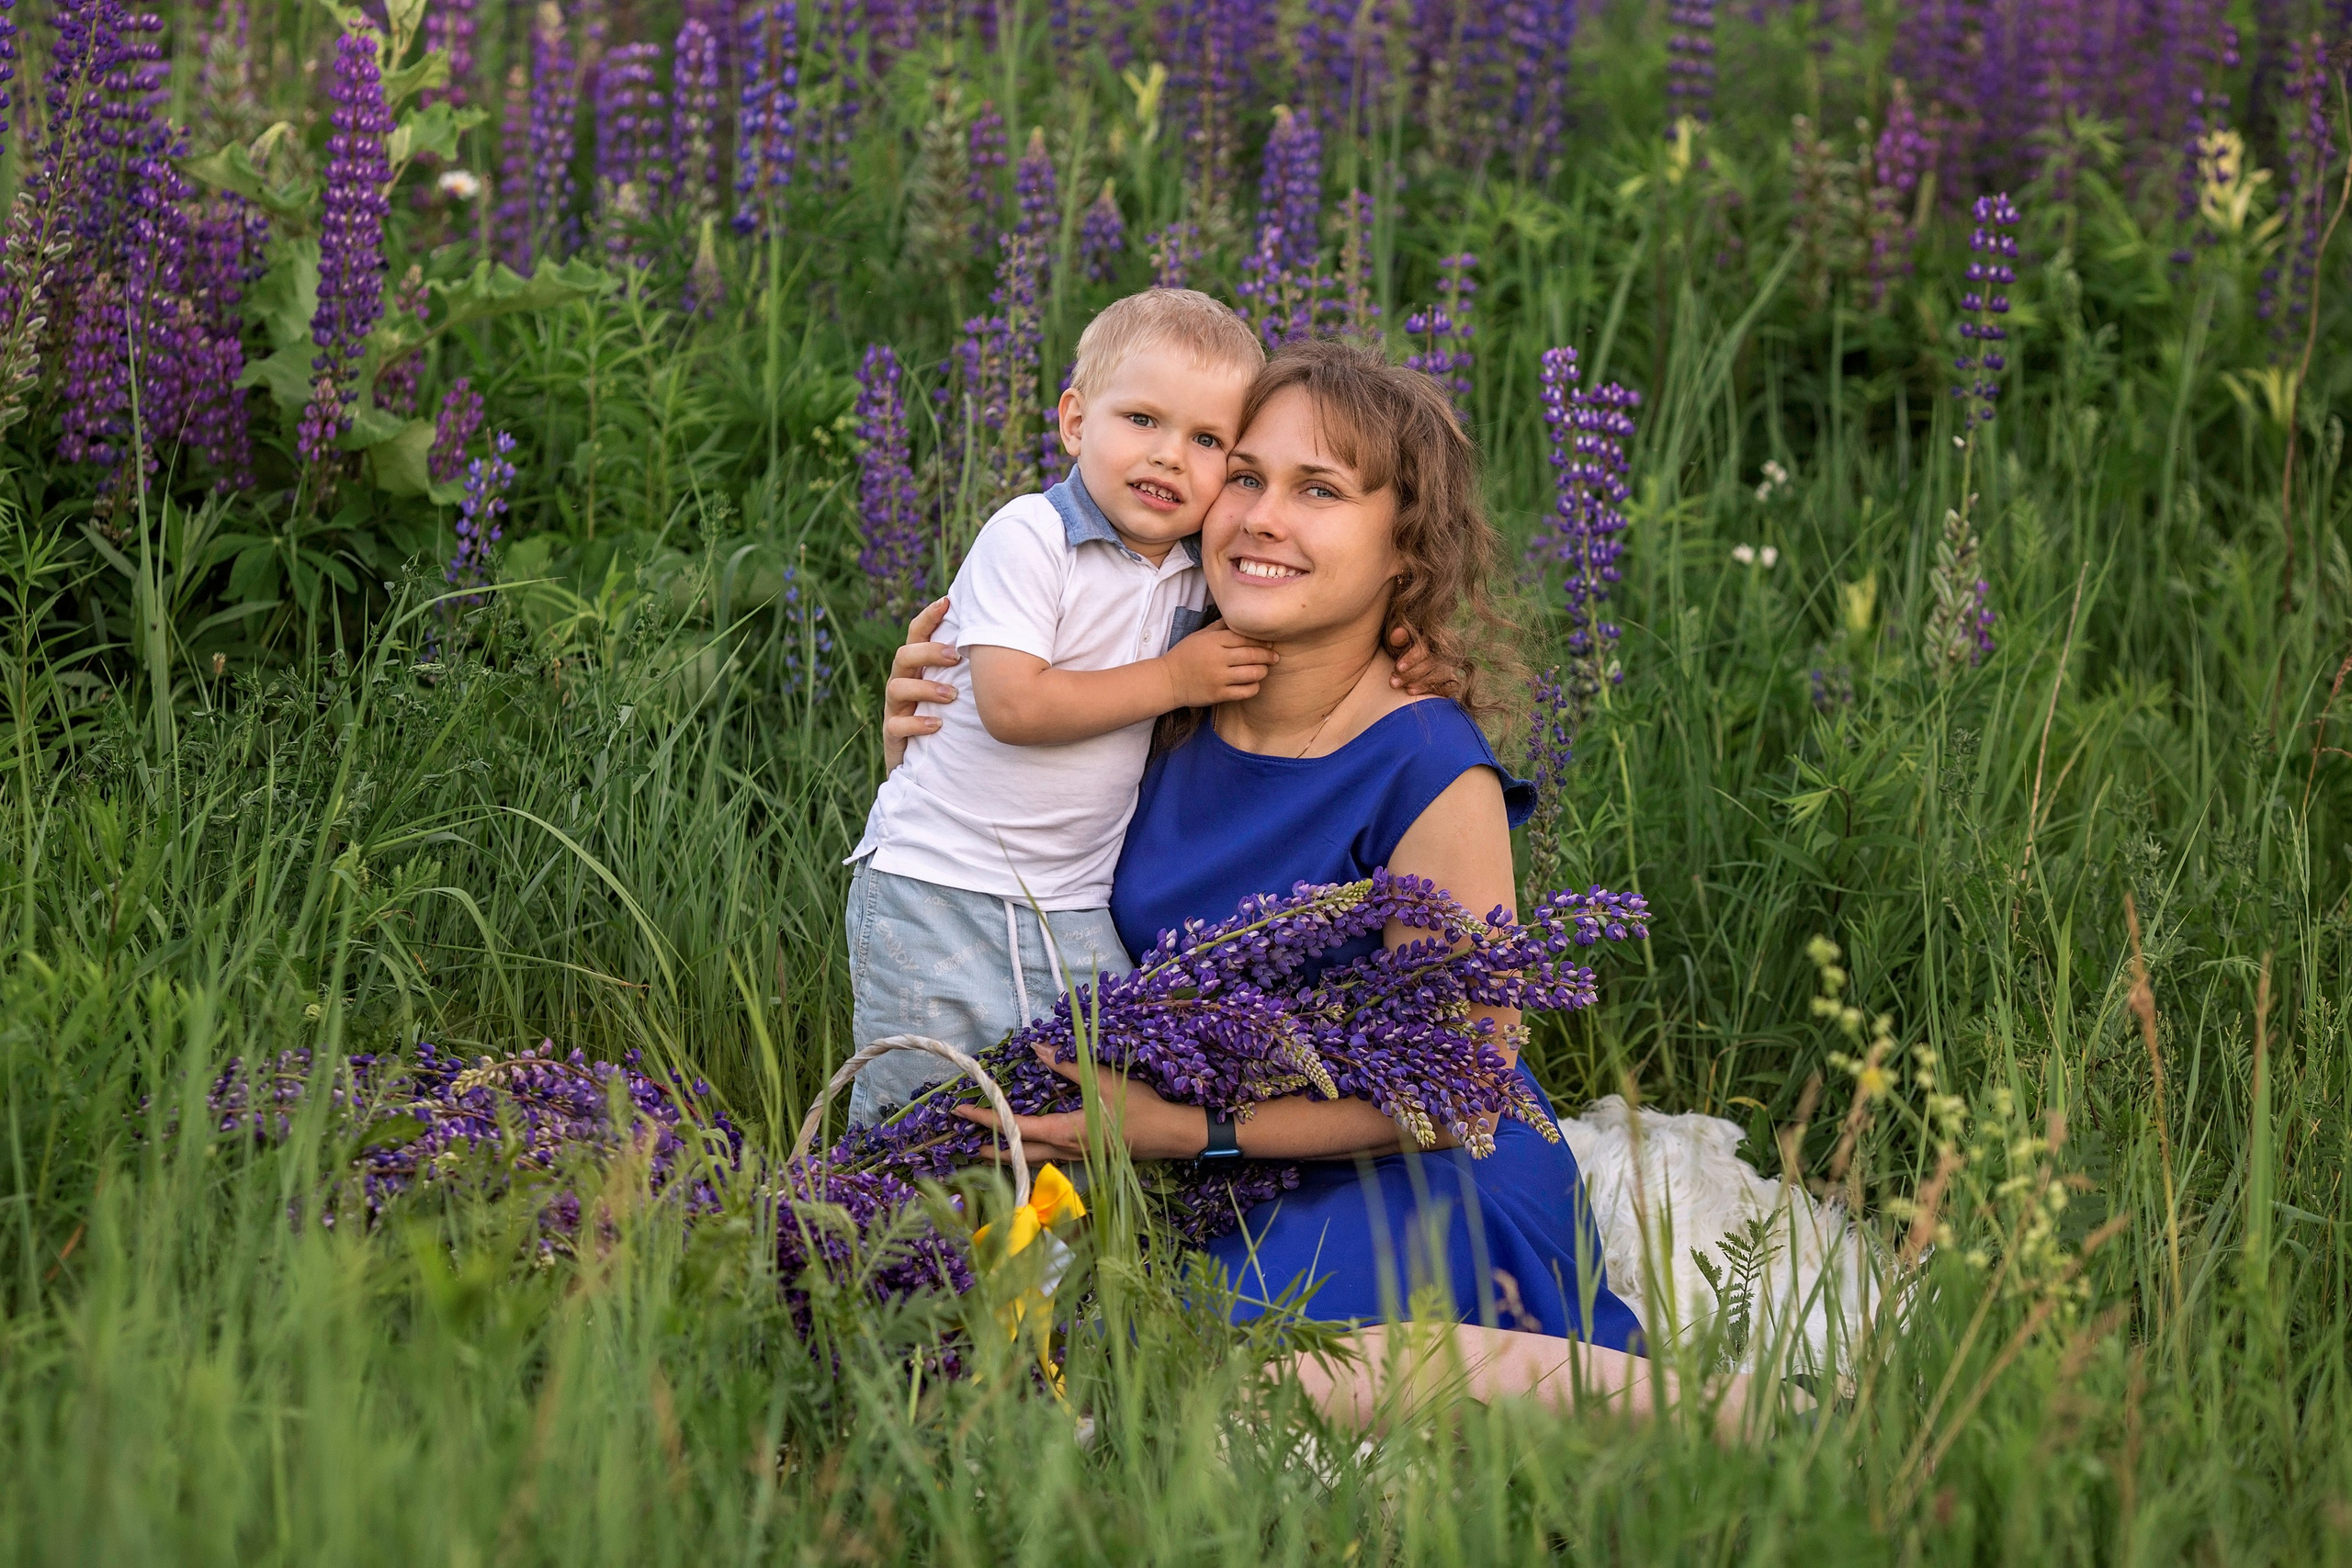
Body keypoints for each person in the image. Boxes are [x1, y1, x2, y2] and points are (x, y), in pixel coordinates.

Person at [882, 341, 1793, 1433]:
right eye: (1248, 476)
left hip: (1403, 1176)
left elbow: (1462, 1088)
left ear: (1404, 551)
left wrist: (1184, 1129)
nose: (1263, 516)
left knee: (1224, 1385)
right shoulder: (1158, 694)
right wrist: (937, 746)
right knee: (986, 1348)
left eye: (1319, 490)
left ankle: (1730, 1420)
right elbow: (999, 860)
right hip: (1194, 1167)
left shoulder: (1424, 767)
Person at [842, 288, 1275, 1126]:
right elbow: (1013, 704)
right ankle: (879, 1242)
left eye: (1208, 439)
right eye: (1143, 419)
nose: (1171, 456)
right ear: (1076, 423)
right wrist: (1178, 678)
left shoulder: (1197, 569)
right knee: (922, 1111)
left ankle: (1049, 1250)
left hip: (1073, 899)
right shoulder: (1030, 535)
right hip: (937, 879)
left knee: (1083, 1108)